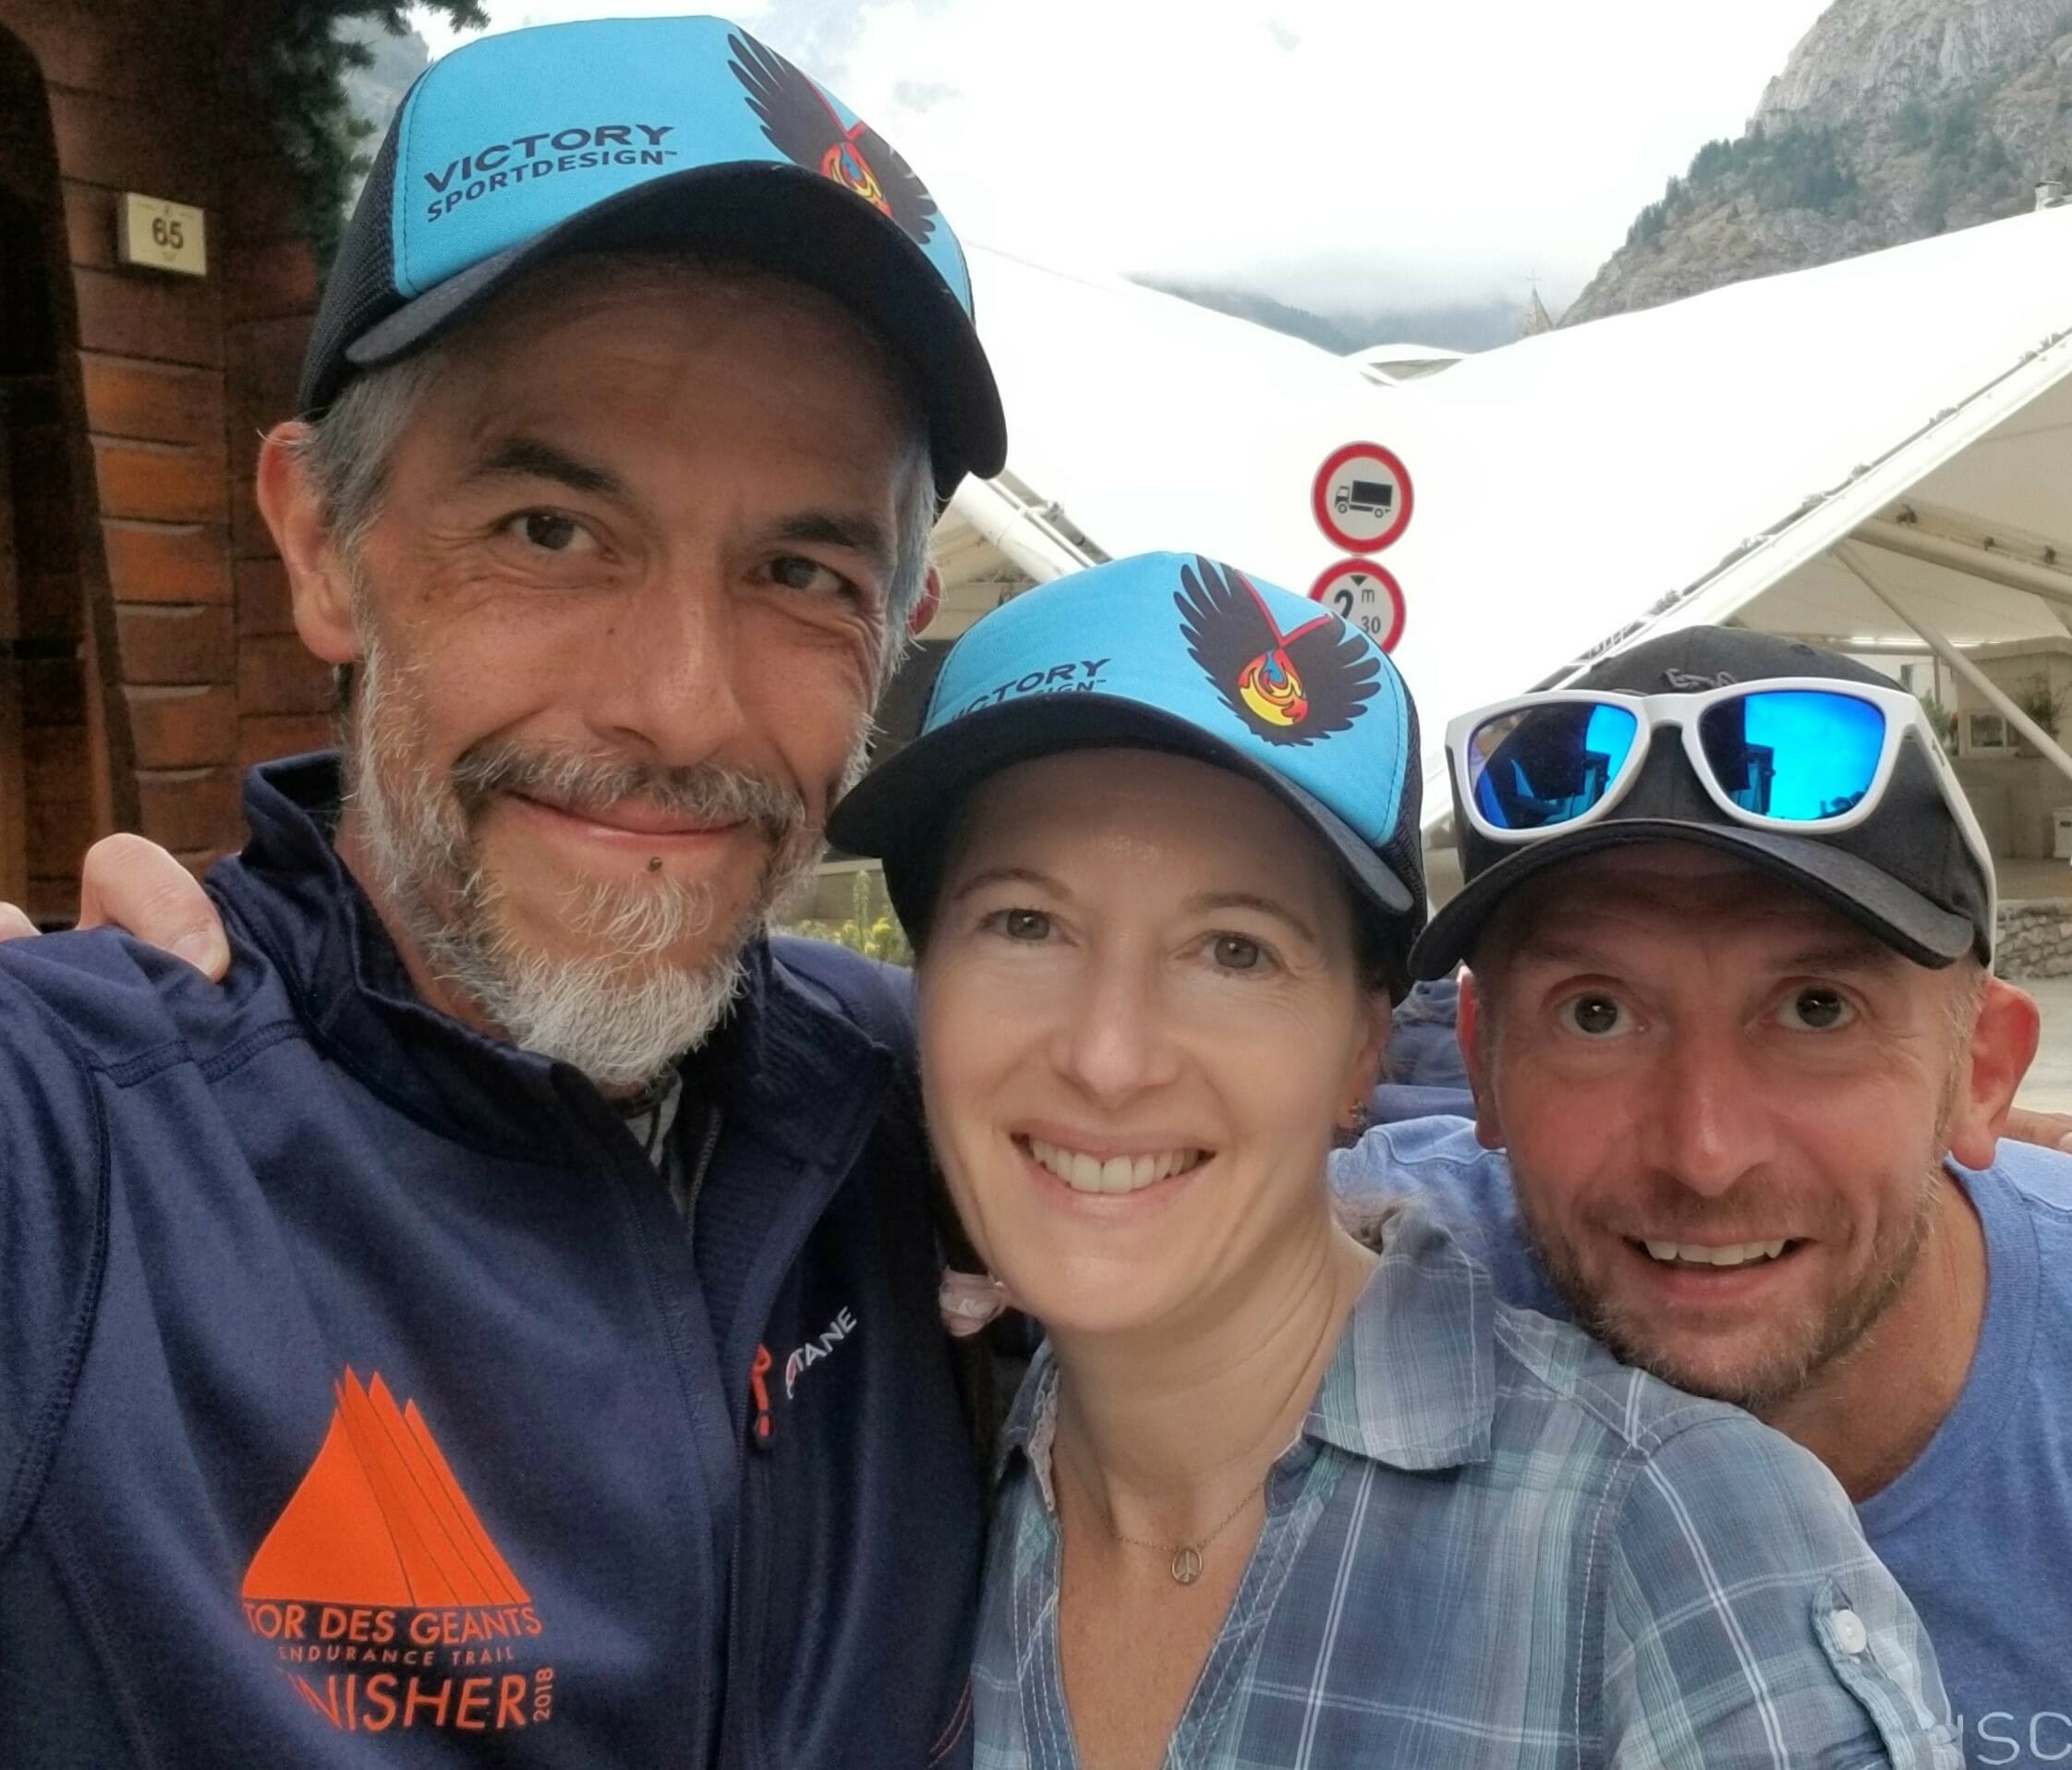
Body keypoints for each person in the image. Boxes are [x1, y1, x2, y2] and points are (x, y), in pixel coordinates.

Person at [0, 16, 1006, 1765]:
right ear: (321, 543)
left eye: (799, 569)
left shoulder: (924, 1106)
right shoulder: (69, 1149)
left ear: (893, 629)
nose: (679, 707)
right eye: (550, 529)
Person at [826, 552, 1959, 1767]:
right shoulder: (901, 1467)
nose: (1107, 1056)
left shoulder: (1671, 1543)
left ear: (1364, 1043)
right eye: (1024, 923)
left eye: (1234, 949)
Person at [1333, 625, 2069, 1761]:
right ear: (1481, 1063)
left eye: (1816, 1008)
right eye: (1594, 1013)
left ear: (1980, 1072)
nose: (1703, 1154)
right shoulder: (1372, 1279)